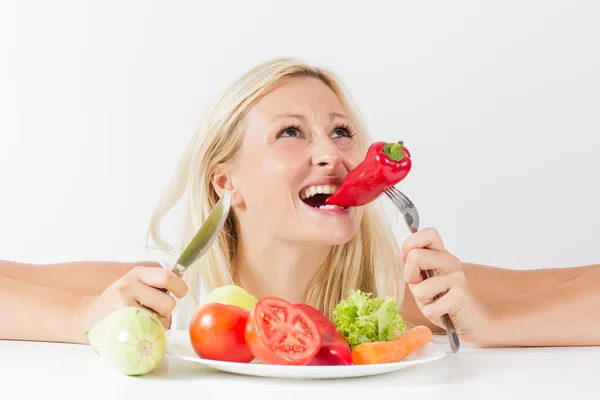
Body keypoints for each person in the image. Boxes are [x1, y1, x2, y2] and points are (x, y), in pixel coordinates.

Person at [1, 58, 598, 348]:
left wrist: (491, 325)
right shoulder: (171, 299)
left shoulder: (399, 299)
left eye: (341, 133)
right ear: (224, 183)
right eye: (291, 133)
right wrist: (80, 320)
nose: (330, 154)